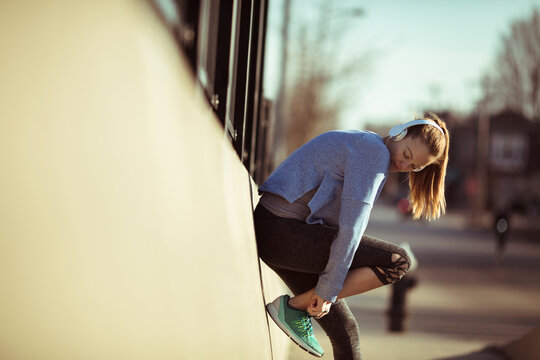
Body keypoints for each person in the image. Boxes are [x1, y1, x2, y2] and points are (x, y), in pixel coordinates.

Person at [254, 112, 450, 359]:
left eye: (414, 167)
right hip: (281, 231)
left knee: (346, 331)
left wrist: (328, 288)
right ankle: (294, 307)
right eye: (407, 155)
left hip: (284, 233)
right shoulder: (374, 153)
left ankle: (296, 308)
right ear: (399, 132)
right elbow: (351, 229)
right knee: (398, 261)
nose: (403, 166)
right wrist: (327, 290)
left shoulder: (368, 145)